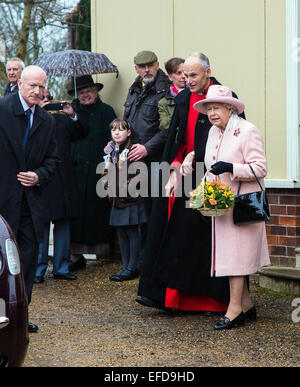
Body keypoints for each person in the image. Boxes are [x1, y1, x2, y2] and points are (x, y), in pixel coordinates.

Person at [136, 53, 244, 312]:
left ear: (208, 72)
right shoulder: (183, 97)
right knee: (169, 233)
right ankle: (167, 297)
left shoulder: (226, 96)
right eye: (185, 75)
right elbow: (176, 136)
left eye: (194, 75)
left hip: (212, 175)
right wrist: (173, 167)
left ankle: (213, 301)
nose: (188, 80)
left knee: (201, 240)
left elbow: (235, 138)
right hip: (181, 172)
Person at [193, 85, 270, 329]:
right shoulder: (214, 132)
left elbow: (260, 168)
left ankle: (234, 309)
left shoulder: (247, 131)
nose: (212, 113)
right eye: (208, 108)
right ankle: (246, 305)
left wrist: (232, 168)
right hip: (221, 204)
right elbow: (209, 165)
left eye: (216, 107)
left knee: (236, 258)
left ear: (230, 107)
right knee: (229, 256)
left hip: (243, 205)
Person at [0, 65, 59, 332]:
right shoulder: (2, 110)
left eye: (41, 86)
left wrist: (38, 175)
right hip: (3, 198)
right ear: (20, 84)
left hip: (31, 203)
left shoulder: (48, 121)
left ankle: (20, 315)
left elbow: (54, 160)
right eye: (32, 86)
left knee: (26, 259)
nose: (37, 91)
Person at [34, 89, 89, 283]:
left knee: (63, 223)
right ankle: (38, 270)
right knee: (40, 225)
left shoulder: (62, 121)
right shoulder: (29, 120)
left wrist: (72, 114)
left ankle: (61, 267)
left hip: (63, 179)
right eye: (42, 99)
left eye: (49, 98)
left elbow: (82, 132)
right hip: (39, 178)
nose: (47, 101)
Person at [124, 50, 170, 264]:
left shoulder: (165, 89)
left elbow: (169, 129)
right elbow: (127, 123)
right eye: (142, 67)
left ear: (157, 64)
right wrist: (116, 141)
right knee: (138, 213)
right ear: (136, 69)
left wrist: (147, 148)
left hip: (155, 161)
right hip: (134, 162)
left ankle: (152, 260)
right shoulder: (134, 89)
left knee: (154, 214)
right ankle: (141, 260)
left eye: (150, 65)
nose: (147, 70)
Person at [68, 75, 116, 270]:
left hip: (98, 168)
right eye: (81, 92)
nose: (85, 95)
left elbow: (113, 137)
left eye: (88, 91)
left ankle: (101, 252)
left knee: (98, 211)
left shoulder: (106, 112)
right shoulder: (72, 112)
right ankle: (75, 255)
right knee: (76, 213)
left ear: (95, 92)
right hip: (77, 169)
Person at [102, 118, 148, 281]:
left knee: (132, 232)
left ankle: (132, 267)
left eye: (121, 130)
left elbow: (140, 174)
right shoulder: (112, 151)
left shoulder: (132, 150)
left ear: (128, 133)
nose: (116, 132)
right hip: (117, 199)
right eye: (113, 130)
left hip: (131, 198)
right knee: (121, 232)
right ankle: (124, 265)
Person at [158, 57, 185, 135]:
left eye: (185, 72)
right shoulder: (163, 102)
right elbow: (165, 126)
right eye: (178, 73)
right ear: (170, 77)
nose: (183, 76)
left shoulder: (195, 94)